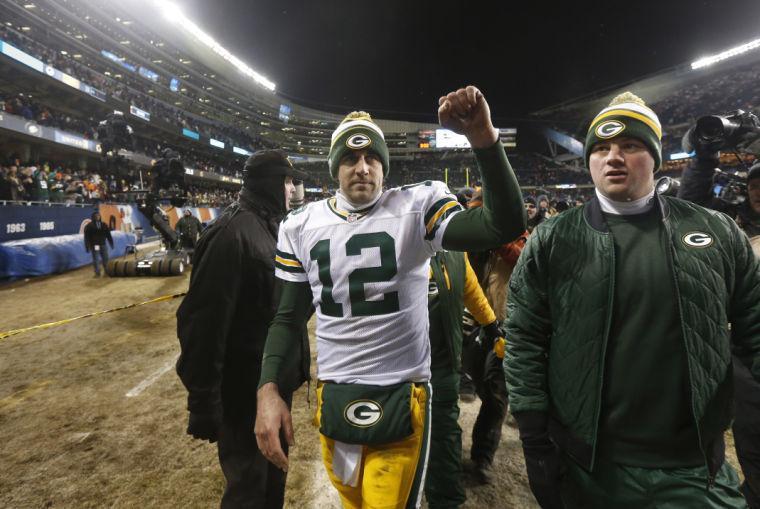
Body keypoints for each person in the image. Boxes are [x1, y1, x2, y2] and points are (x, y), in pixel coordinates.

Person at [254, 86, 526, 508]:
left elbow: (503, 224)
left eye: (372, 158)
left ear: (384, 164)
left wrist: (483, 138)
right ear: (334, 168)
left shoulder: (418, 207)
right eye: (350, 158)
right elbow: (287, 319)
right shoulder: (299, 225)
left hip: (403, 395)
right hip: (336, 397)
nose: (362, 168)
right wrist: (268, 391)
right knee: (354, 502)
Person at [505, 92, 760, 508]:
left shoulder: (717, 232)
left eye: (631, 146)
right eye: (601, 149)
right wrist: (534, 438)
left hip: (692, 467)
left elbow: (755, 326)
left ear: (655, 158)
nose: (613, 158)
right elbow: (524, 338)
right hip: (591, 465)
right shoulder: (554, 238)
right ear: (588, 160)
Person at [176, 150, 311, 509]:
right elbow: (202, 324)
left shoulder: (272, 227)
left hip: (274, 386)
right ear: (270, 182)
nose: (291, 189)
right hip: (243, 394)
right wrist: (203, 402)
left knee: (272, 483)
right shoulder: (229, 234)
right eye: (286, 180)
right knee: (249, 490)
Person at [678, 130, 760, 508]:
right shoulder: (736, 229)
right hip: (748, 354)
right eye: (755, 184)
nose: (758, 191)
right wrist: (704, 159)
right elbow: (691, 208)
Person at [424, 250, 503, 507]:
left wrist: (491, 326)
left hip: (444, 359)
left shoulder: (453, 249)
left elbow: (467, 283)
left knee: (446, 432)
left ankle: (451, 492)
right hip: (397, 364)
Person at [83, 211, 114, 277]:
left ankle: (107, 271)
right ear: (93, 217)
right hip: (95, 245)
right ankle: (97, 273)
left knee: (106, 259)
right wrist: (87, 246)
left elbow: (108, 234)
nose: (97, 217)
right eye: (96, 216)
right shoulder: (89, 226)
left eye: (98, 215)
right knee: (96, 259)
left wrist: (111, 243)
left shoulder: (104, 225)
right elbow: (86, 237)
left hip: (103, 244)